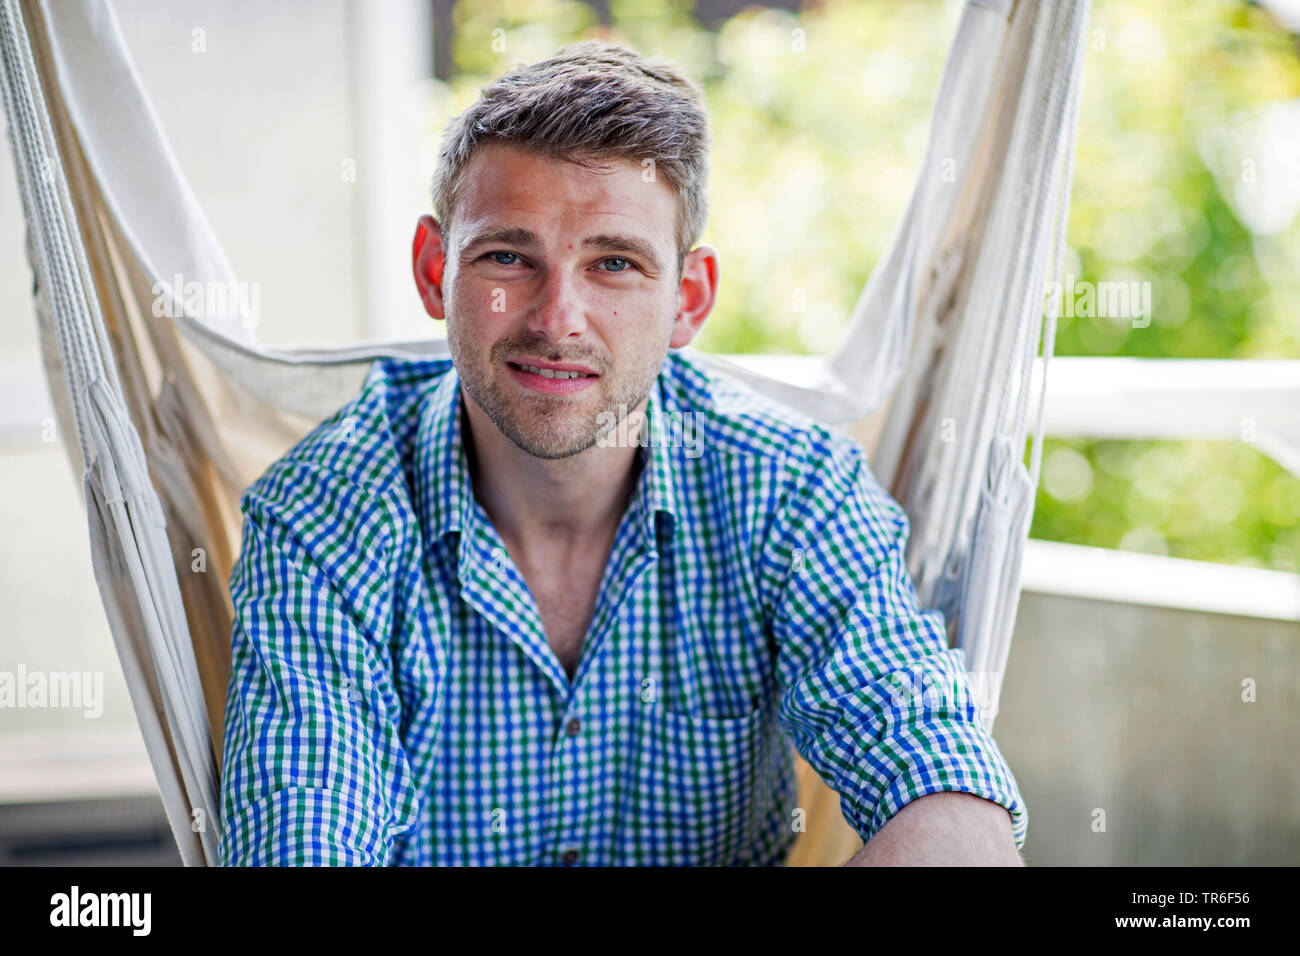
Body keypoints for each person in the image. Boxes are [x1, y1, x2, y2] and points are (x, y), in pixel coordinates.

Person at [218, 39, 1026, 866]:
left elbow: (951, 801)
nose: (557, 318)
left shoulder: (792, 491)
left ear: (689, 299)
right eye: (507, 256)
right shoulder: (322, 517)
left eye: (614, 263)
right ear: (435, 270)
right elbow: (304, 826)